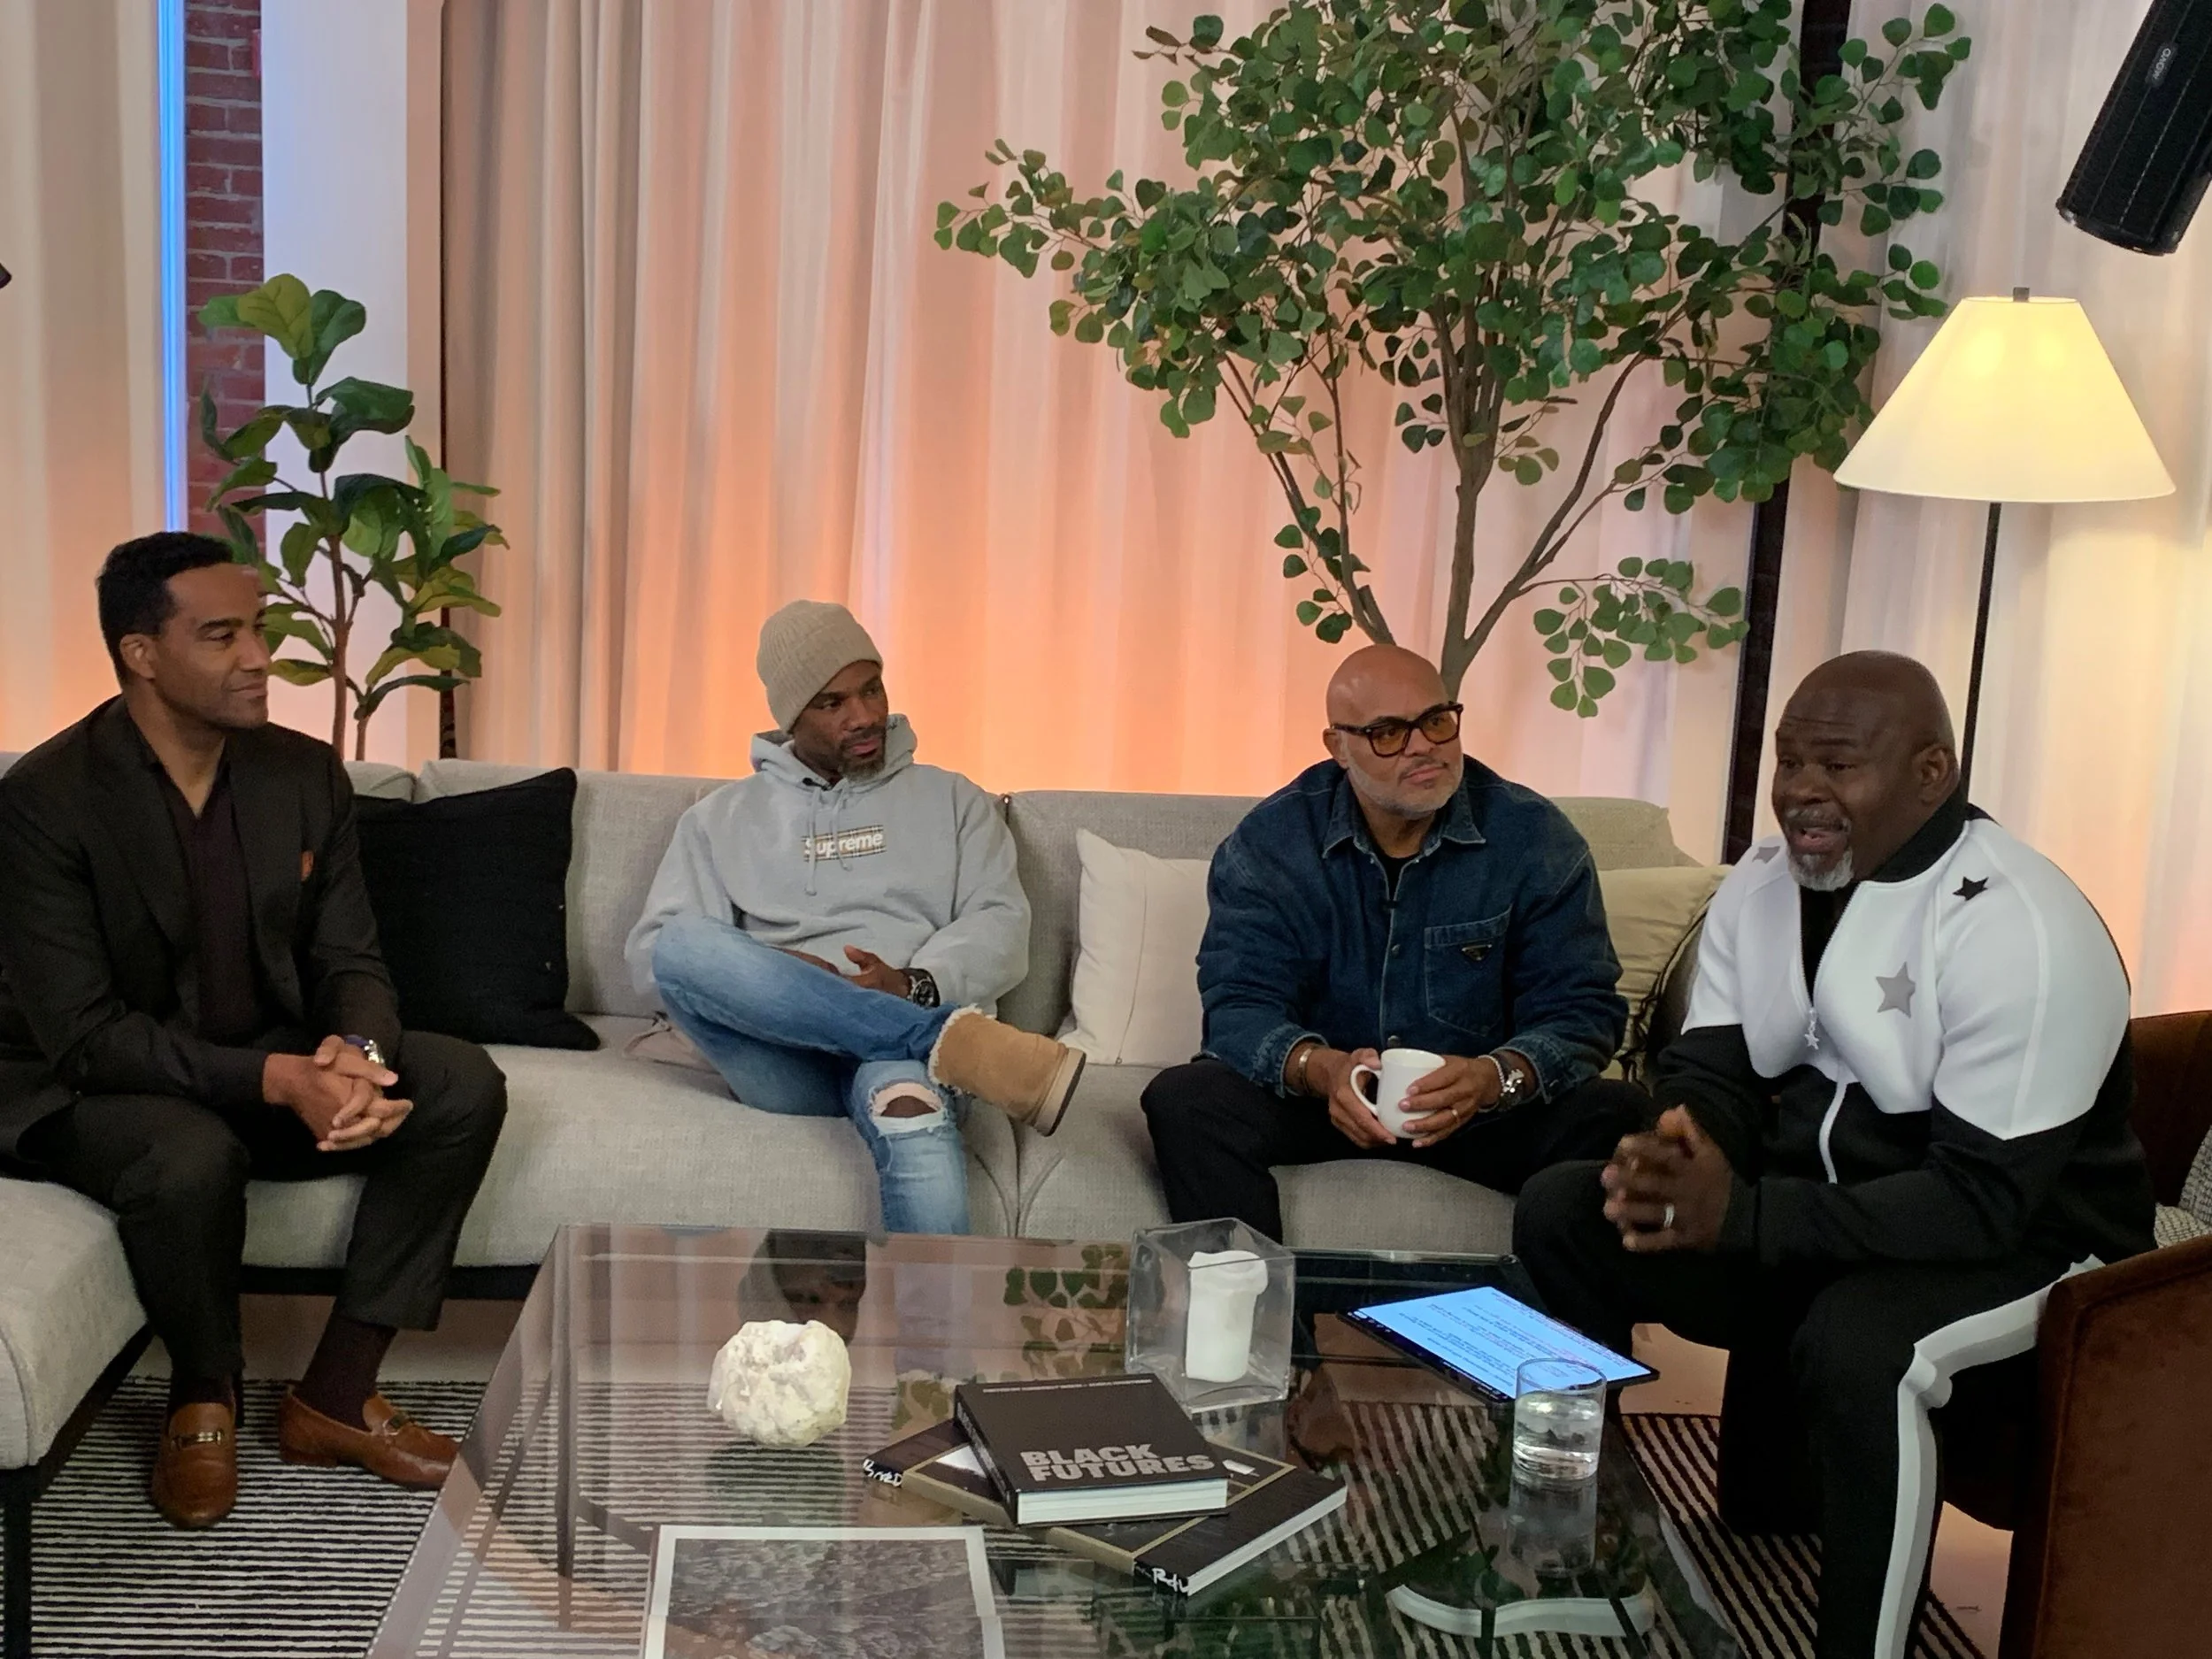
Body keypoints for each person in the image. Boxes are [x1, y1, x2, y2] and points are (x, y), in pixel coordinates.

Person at [1514, 651, 2154, 1659]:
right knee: (1567, 1210)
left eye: (1838, 765)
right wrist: (1681, 1152)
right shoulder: (1764, 885)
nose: (1802, 792)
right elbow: (1715, 1069)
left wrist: (1744, 1216)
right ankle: (1586, 1545)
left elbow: (1981, 1201)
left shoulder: (2020, 926)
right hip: (1832, 1212)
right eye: (1789, 762)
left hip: (2032, 1244)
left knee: (1868, 1344)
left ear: (1930, 773)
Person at [0, 533, 510, 1530]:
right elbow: (89, 1035)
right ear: (142, 654)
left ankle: (335, 1394)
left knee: (456, 1082)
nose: (257, 656)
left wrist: (357, 1055)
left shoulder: (303, 775)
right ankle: (203, 1394)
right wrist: (281, 1078)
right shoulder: (42, 803)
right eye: (222, 634)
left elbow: (351, 959)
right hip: (88, 1088)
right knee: (188, 1151)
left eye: (261, 630)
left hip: (259, 1062)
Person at [1141, 644, 1645, 1237]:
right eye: (1387, 732)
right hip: (1326, 1104)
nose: (1423, 746)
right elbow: (1238, 1005)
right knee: (1185, 1100)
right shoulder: (1272, 843)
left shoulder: (1535, 839)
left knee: (1625, 1115)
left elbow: (1582, 1010)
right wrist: (1321, 1069)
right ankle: (1255, 1325)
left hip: (1480, 1115)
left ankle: (1538, 1330)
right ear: (1338, 747)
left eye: (1436, 721)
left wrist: (1493, 1077)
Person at [625, 599, 1085, 1234]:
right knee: (678, 943)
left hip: (901, 1063)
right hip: (786, 1056)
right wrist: (787, 976)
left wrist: (910, 984)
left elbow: (1001, 923)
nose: (866, 715)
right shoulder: (719, 819)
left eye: (871, 689)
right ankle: (947, 1042)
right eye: (833, 702)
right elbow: (656, 962)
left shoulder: (955, 799)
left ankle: (930, 1331)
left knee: (911, 1110)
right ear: (791, 717)